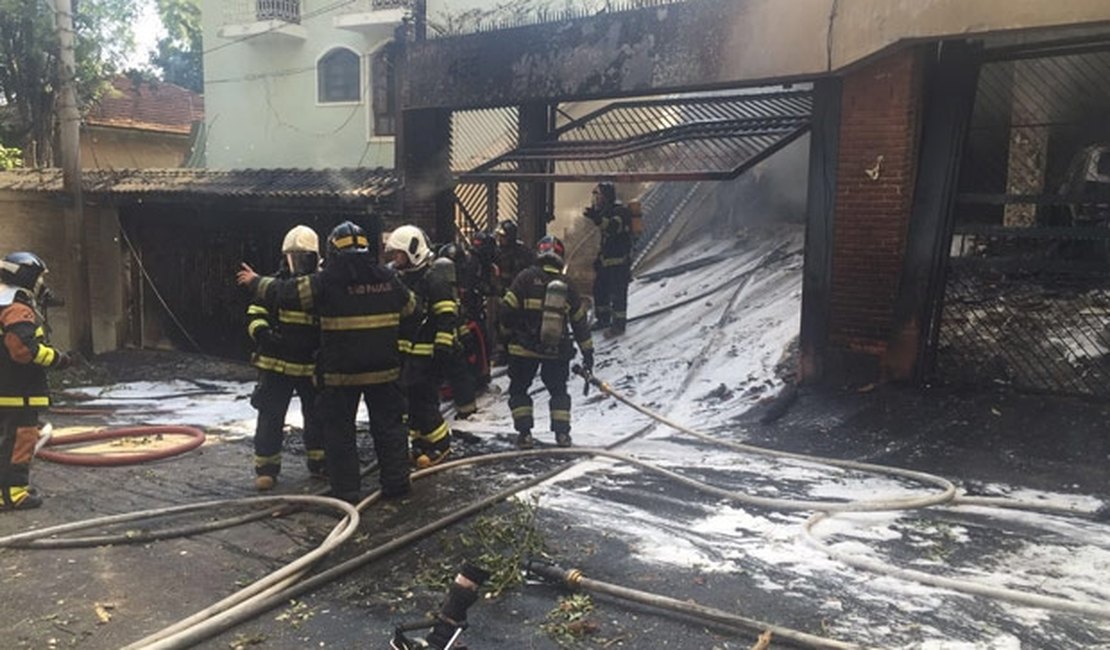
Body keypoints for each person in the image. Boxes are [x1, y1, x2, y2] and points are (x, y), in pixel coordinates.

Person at [237, 221, 419, 503]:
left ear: (333, 251)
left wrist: (255, 282)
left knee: (340, 433)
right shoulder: (388, 278)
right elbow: (411, 308)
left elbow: (288, 294)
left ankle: (347, 491)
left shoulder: (327, 280)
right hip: (384, 371)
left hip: (342, 374)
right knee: (389, 429)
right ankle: (396, 486)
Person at [244, 225, 326, 491]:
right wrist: (263, 333)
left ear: (314, 258)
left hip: (310, 364)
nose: (296, 263)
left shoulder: (320, 287)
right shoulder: (272, 285)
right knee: (270, 415)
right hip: (276, 363)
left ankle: (320, 462)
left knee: (317, 416)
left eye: (302, 257)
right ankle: (266, 469)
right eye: (292, 257)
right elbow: (255, 313)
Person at [500, 236, 593, 449]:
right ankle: (562, 435)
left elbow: (506, 311)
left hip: (523, 349)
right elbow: (580, 323)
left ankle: (524, 435)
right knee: (558, 391)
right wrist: (588, 353)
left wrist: (506, 338)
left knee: (519, 389)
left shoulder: (524, 278)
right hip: (556, 351)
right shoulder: (567, 285)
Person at [0, 252, 74, 511]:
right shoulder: (17, 307)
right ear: (27, 276)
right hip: (17, 392)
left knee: (6, 440)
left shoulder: (3, 302)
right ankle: (13, 494)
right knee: (20, 440)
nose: (42, 283)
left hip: (6, 389)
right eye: (39, 277)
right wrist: (59, 359)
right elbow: (24, 350)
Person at [385, 225, 458, 468]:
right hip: (406, 355)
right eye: (394, 255)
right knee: (410, 403)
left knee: (425, 402)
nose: (396, 260)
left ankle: (440, 444)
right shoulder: (399, 278)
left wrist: (442, 349)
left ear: (413, 251)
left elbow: (447, 316)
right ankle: (420, 444)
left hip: (428, 354)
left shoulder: (434, 279)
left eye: (400, 254)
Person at [583, 182, 635, 336]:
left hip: (619, 263)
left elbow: (612, 228)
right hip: (607, 262)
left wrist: (597, 219)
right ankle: (603, 320)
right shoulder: (607, 212)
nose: (597, 200)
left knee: (618, 295)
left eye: (599, 196)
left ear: (607, 197)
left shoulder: (621, 212)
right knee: (599, 290)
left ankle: (618, 326)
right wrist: (599, 259)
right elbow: (606, 240)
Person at [492, 220, 535, 365]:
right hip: (503, 293)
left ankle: (515, 352)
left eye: (503, 236)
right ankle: (502, 352)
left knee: (517, 323)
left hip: (519, 295)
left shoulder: (524, 253)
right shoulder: (496, 252)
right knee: (501, 323)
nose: (500, 240)